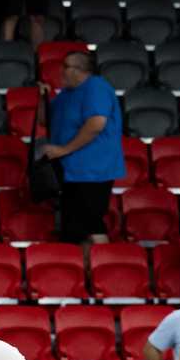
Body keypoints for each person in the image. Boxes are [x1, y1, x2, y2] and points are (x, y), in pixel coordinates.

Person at [39, 51, 123, 246]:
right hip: (71, 171)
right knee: (74, 228)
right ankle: (83, 264)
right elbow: (44, 121)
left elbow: (96, 124)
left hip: (92, 170)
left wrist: (64, 150)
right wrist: (43, 99)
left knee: (91, 224)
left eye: (66, 66)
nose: (61, 71)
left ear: (81, 70)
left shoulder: (96, 87)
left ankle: (104, 263)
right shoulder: (66, 94)